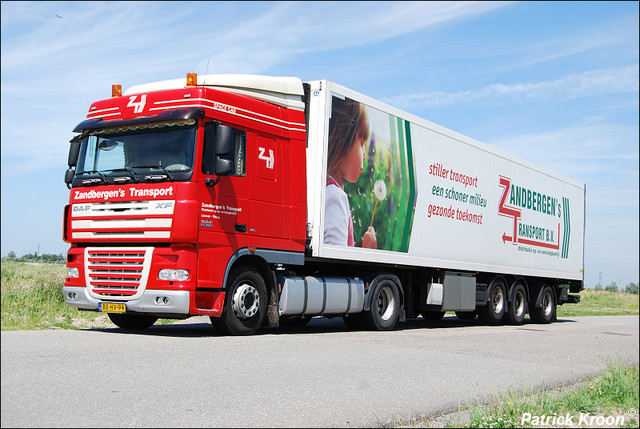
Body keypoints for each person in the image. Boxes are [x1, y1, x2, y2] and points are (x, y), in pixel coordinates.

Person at [324, 97, 377, 249]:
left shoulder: (327, 190)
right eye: (361, 143)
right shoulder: (335, 196)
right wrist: (368, 251)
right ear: (343, 140)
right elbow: (337, 256)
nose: (365, 156)